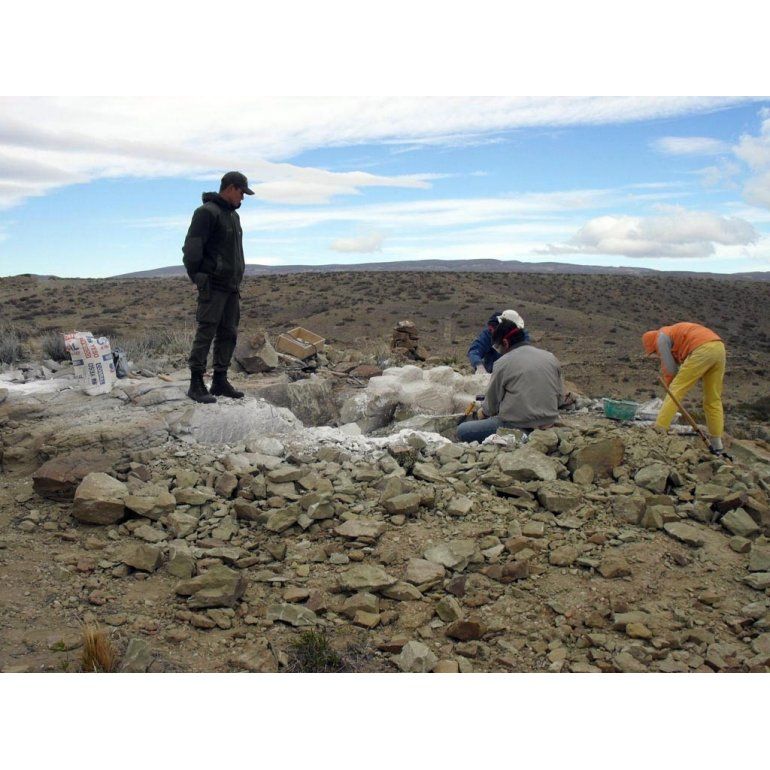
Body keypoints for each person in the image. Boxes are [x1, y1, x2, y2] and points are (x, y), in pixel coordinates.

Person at [182, 171, 254, 403]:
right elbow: (191, 249)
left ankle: (220, 381)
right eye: (241, 192)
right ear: (231, 188)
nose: (242, 198)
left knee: (228, 333)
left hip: (231, 285)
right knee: (207, 331)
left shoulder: (233, 216)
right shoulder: (206, 212)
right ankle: (196, 383)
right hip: (213, 284)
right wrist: (198, 277)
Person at [457, 310, 566, 443]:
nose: (499, 351)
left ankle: (523, 436)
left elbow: (490, 407)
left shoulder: (503, 362)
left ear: (505, 342)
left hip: (517, 426)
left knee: (463, 430)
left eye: (499, 347)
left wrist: (481, 414)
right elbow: (560, 399)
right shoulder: (550, 357)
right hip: (548, 423)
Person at [642, 322, 726, 453]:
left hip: (701, 348)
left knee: (675, 390)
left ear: (652, 344)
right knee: (713, 399)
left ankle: (659, 429)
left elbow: (670, 370)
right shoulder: (671, 333)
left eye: (654, 352)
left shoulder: (660, 338)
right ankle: (717, 443)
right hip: (719, 348)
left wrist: (670, 388)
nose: (657, 354)